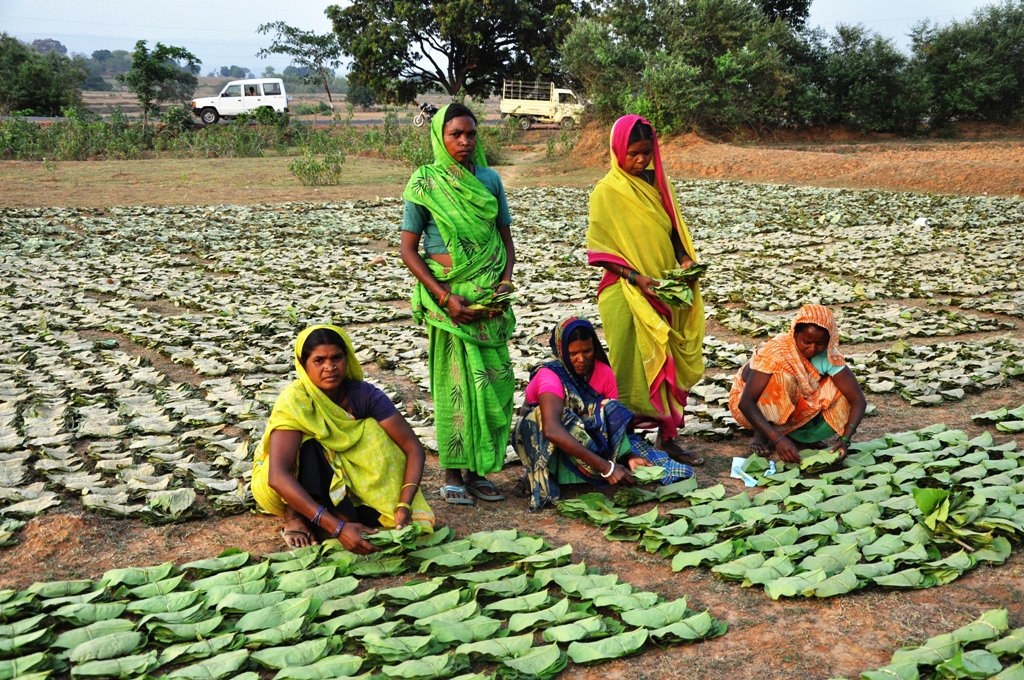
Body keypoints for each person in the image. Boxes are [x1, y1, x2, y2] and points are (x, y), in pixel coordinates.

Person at [399, 103, 516, 505]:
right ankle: (452, 470)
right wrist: (445, 297)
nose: (464, 142)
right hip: (449, 301)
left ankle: (480, 470)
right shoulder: (425, 183)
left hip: (487, 301)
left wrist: (504, 283)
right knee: (454, 386)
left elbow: (505, 240)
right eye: (455, 135)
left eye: (470, 134)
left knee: (494, 382)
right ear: (439, 137)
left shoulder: (490, 180)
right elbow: (409, 250)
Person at [586, 114, 706, 466]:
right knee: (630, 367)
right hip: (625, 292)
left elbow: (671, 231)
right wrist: (637, 278)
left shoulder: (655, 183)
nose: (640, 160)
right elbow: (601, 252)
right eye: (633, 153)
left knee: (667, 362)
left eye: (646, 153)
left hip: (664, 288)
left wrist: (684, 260)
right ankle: (627, 440)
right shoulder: (606, 192)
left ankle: (668, 438)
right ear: (617, 150)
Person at [251, 325, 434, 551]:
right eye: (319, 361)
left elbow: (413, 447)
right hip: (284, 482)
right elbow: (277, 476)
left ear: (347, 359)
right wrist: (337, 528)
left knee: (373, 430)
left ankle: (345, 512)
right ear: (303, 365)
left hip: (341, 475)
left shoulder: (364, 395)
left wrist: (405, 503)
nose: (330, 367)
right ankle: (297, 515)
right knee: (308, 442)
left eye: (336, 357)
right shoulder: (295, 401)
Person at [513, 317, 695, 512]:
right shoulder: (550, 375)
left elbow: (613, 421)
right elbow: (551, 429)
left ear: (595, 347)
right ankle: (539, 472)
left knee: (611, 407)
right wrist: (606, 467)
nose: (581, 359)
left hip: (582, 434)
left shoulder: (603, 372)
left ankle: (602, 466)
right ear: (560, 350)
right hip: (542, 439)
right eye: (573, 353)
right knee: (563, 418)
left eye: (587, 351)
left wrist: (629, 456)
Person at [728, 304, 867, 463]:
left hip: (792, 406)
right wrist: (778, 440)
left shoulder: (829, 356)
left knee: (840, 391)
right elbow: (746, 403)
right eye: (806, 342)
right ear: (795, 334)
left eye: (820, 343)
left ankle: (798, 434)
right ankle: (762, 434)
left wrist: (845, 439)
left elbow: (858, 399)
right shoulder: (776, 351)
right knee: (782, 378)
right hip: (752, 408)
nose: (812, 348)